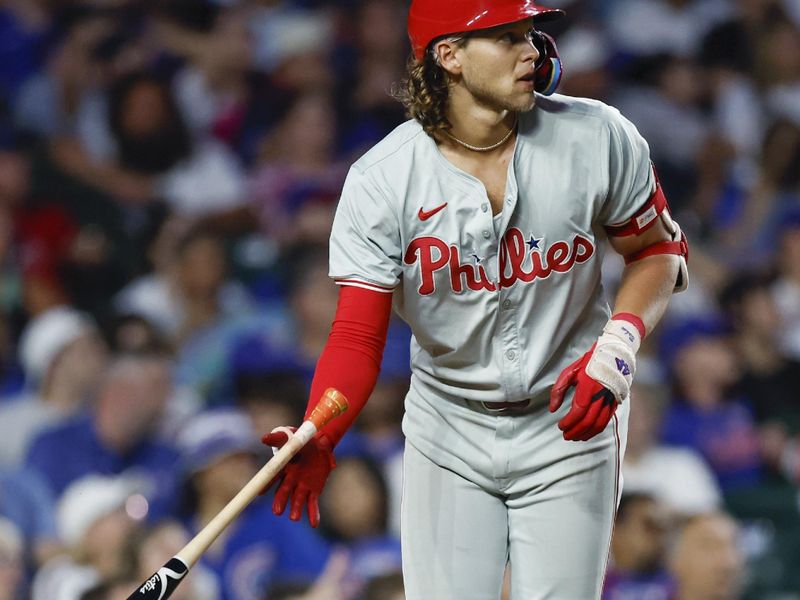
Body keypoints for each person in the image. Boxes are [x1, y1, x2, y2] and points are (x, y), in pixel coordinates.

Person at [262, 1, 688, 598]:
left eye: (532, 33)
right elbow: (358, 335)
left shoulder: (597, 135)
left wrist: (617, 347)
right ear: (450, 55)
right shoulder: (383, 179)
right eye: (508, 37)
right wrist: (319, 430)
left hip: (566, 419)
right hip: (449, 426)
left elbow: (658, 253)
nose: (533, 50)